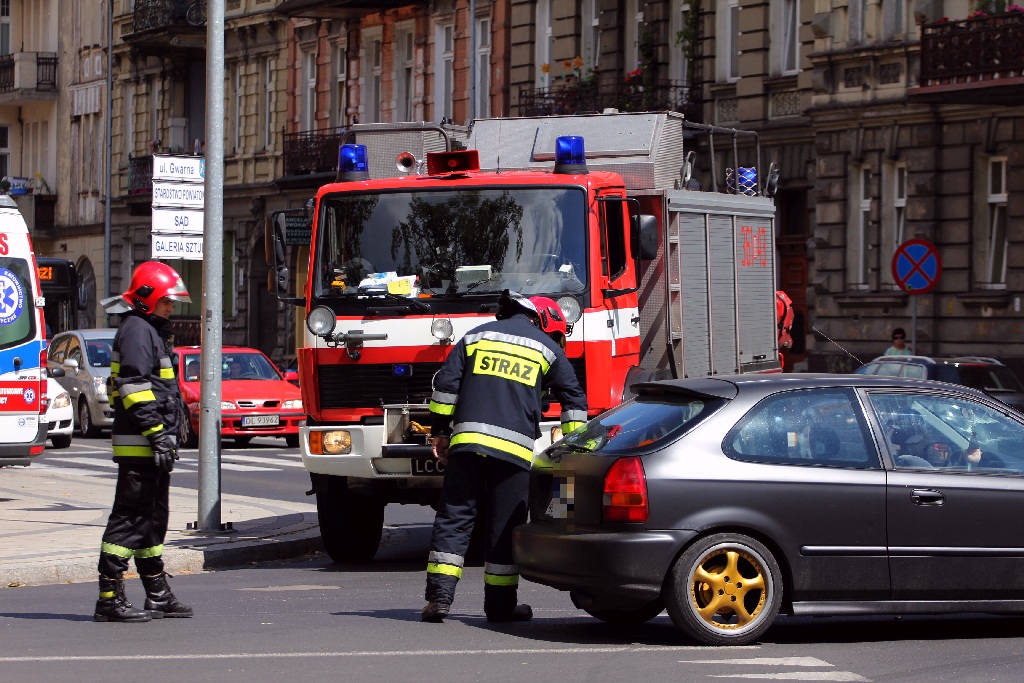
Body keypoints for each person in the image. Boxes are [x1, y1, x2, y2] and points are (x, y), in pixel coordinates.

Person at [421, 291, 588, 623]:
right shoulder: (548, 349)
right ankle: (499, 606)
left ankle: (439, 599)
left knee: (455, 517)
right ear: (547, 322)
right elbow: (574, 397)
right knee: (503, 526)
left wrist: (439, 430)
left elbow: (445, 386)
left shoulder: (476, 336)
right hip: (513, 452)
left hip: (467, 445)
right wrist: (571, 447)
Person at [94, 261, 193, 623]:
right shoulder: (137, 330)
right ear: (148, 298)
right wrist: (156, 434)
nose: (171, 308)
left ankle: (157, 592)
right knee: (130, 519)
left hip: (151, 444)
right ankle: (109, 597)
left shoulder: (146, 329)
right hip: (142, 444)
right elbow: (134, 387)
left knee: (152, 520)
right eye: (167, 302)